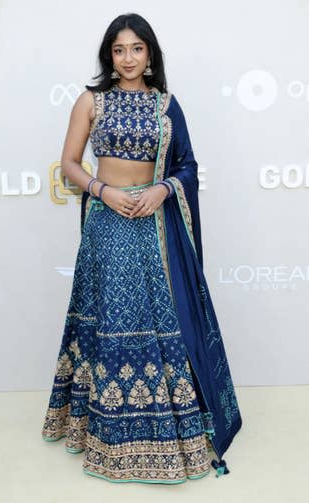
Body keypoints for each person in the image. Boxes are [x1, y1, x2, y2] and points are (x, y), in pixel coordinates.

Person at [41, 13, 241, 484]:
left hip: (154, 222)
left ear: (150, 55)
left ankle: (170, 432)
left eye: (136, 48)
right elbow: (68, 162)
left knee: (160, 319)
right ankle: (107, 430)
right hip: (108, 222)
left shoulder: (166, 105)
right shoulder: (91, 101)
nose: (127, 58)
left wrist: (164, 190)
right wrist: (102, 190)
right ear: (108, 55)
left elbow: (188, 165)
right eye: (118, 49)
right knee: (112, 319)